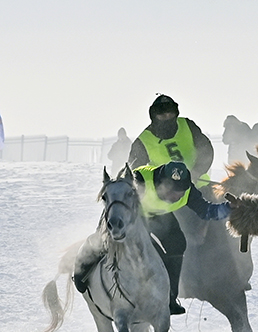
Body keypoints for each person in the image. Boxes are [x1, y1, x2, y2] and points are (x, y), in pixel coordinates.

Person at [73, 161, 234, 315]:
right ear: (161, 183)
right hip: (129, 215)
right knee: (102, 241)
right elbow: (117, 193)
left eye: (181, 189)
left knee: (178, 243)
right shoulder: (140, 179)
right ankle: (81, 273)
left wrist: (230, 208)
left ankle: (170, 298)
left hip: (158, 215)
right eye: (172, 189)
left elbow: (207, 210)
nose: (177, 194)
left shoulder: (187, 191)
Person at [127, 95, 214, 186]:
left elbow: (206, 150)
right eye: (163, 115)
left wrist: (196, 172)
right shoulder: (142, 142)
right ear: (154, 117)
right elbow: (135, 173)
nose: (167, 117)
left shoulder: (188, 125)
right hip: (166, 192)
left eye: (170, 114)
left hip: (198, 183)